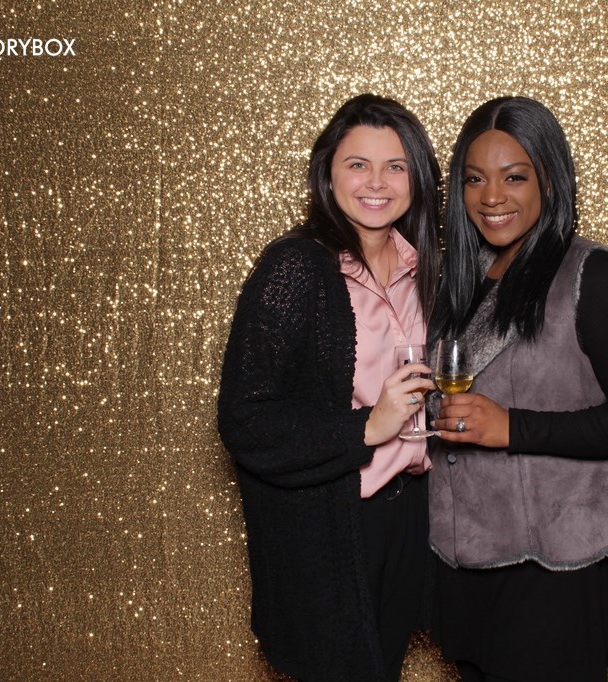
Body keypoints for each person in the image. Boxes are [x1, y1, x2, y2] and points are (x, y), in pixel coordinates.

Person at [428, 97, 608, 681]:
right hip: (463, 561)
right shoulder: (458, 281)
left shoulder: (593, 274)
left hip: (554, 571)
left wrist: (513, 427)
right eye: (475, 179)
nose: (492, 197)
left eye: (514, 177)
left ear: (549, 178)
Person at [218, 94, 441, 681]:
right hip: (333, 525)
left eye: (395, 166)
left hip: (410, 516)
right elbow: (246, 421)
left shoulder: (426, 268)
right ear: (328, 173)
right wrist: (367, 426)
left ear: (417, 178)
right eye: (357, 164)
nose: (377, 182)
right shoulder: (296, 268)